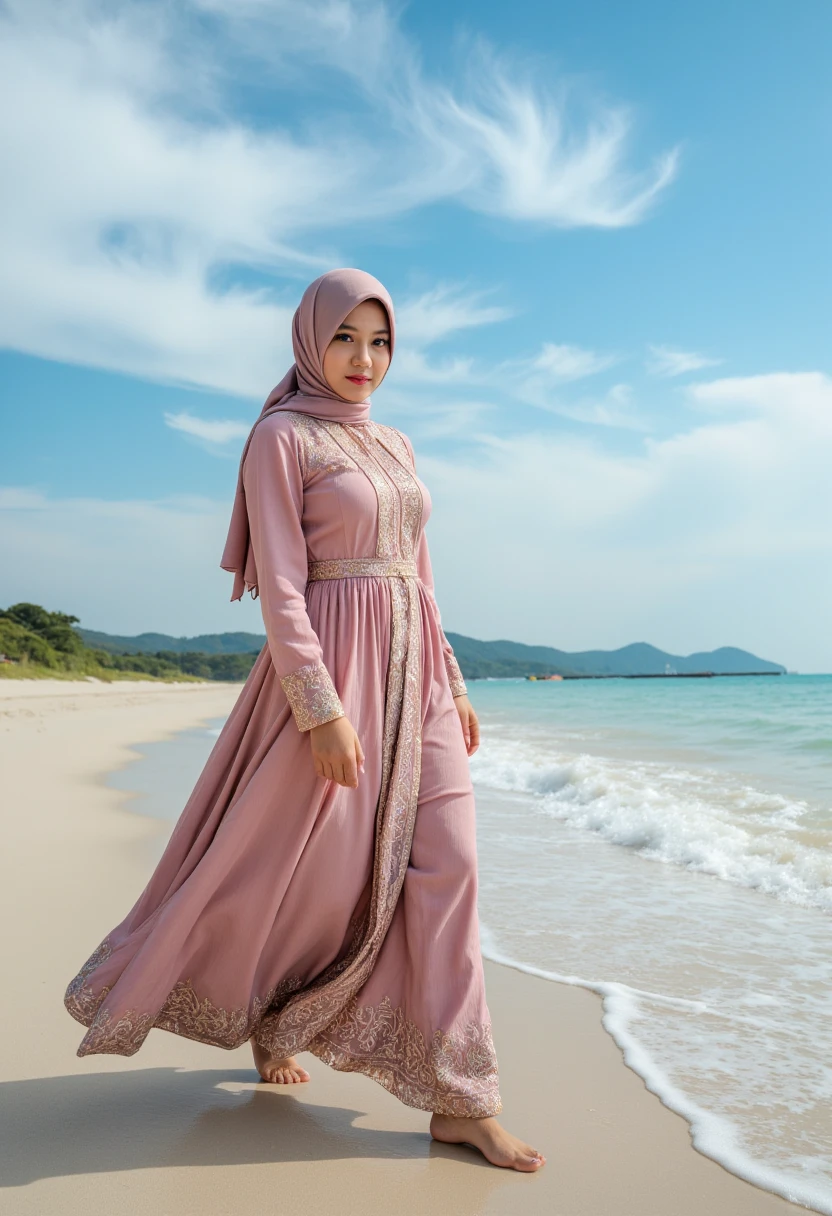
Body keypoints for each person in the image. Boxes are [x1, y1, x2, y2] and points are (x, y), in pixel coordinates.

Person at [64, 268, 545, 1172]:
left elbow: (418, 573)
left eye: (381, 342)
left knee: (452, 867)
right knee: (296, 871)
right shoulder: (282, 438)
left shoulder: (395, 441)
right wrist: (317, 708)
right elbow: (283, 586)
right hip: (330, 672)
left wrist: (456, 678)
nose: (365, 360)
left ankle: (461, 1099)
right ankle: (273, 1019)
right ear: (309, 341)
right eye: (345, 339)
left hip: (419, 679)